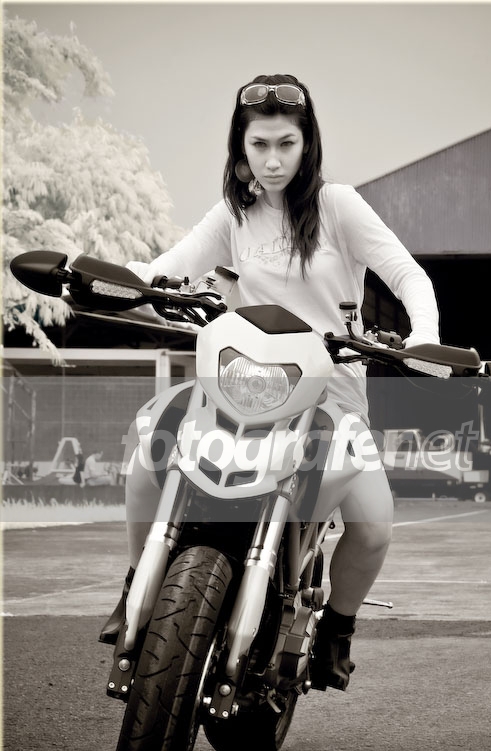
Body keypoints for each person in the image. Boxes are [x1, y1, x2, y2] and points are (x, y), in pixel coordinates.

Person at [100, 74, 440, 691]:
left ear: (308, 144)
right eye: (260, 145)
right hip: (240, 383)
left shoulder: (338, 206)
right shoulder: (233, 214)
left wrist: (423, 335)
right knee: (148, 454)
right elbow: (170, 265)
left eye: (287, 143)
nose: (274, 160)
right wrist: (128, 279)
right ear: (241, 147)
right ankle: (136, 586)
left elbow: (409, 276)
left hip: (330, 391)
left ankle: (336, 629)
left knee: (374, 527)